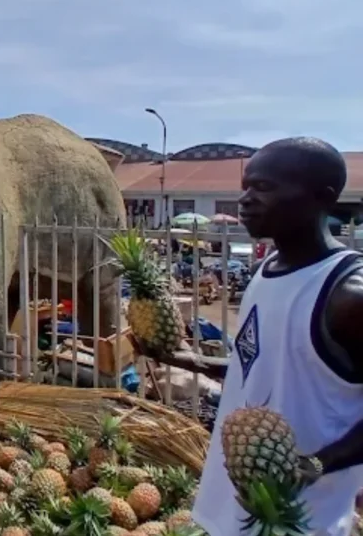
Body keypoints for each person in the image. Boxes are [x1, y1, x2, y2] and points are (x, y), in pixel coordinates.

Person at [148, 138, 363, 535]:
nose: (245, 200)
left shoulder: (348, 295)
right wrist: (183, 358)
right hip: (227, 510)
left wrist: (316, 464)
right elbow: (264, 367)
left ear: (322, 197)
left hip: (300, 521)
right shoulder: (265, 273)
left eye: (263, 188)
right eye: (246, 187)